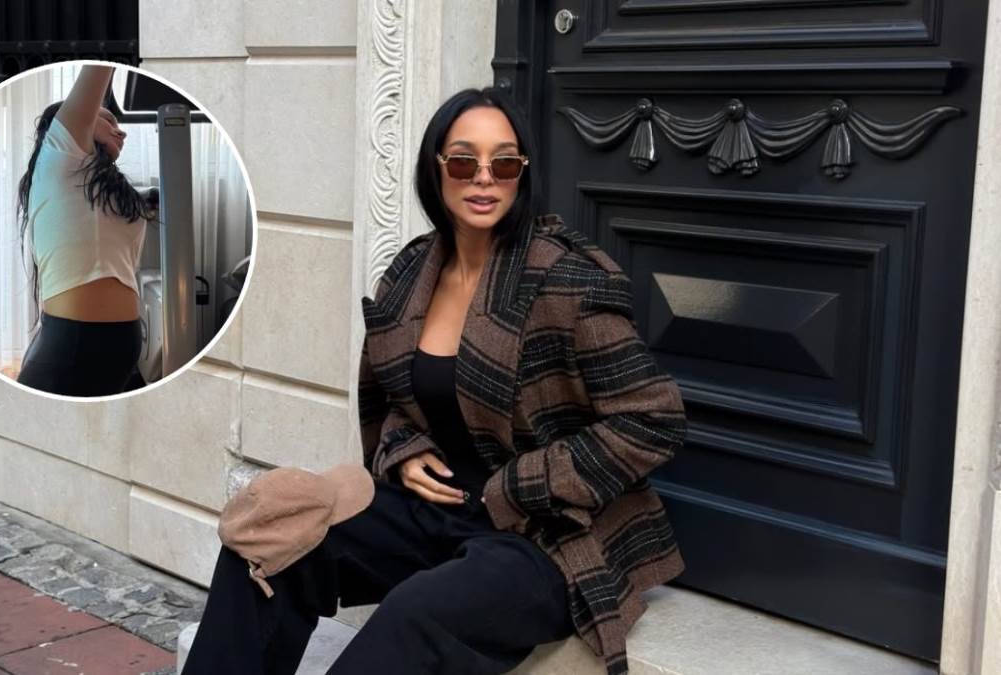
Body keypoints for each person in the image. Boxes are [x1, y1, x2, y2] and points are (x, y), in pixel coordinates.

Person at [182, 87, 687, 675]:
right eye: (464, 161)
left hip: (545, 536)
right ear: (436, 168)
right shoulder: (411, 272)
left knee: (415, 612)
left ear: (521, 174)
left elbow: (653, 419)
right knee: (268, 536)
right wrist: (402, 448)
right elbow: (398, 398)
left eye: (503, 163)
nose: (484, 178)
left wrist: (521, 483)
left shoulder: (568, 280)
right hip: (435, 514)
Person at [14, 64, 154, 396]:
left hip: (118, 347)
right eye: (108, 120)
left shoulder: (108, 191)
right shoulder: (58, 155)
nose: (121, 132)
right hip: (73, 345)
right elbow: (96, 70)